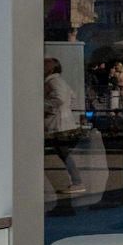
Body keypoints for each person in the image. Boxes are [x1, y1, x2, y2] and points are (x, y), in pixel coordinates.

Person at [43, 58, 85, 193]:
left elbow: (60, 99)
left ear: (51, 68)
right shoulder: (59, 80)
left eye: (45, 65)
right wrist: (65, 108)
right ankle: (76, 181)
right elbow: (71, 96)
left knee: (63, 152)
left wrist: (47, 107)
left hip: (57, 124)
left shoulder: (52, 81)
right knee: (63, 152)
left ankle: (77, 182)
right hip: (62, 121)